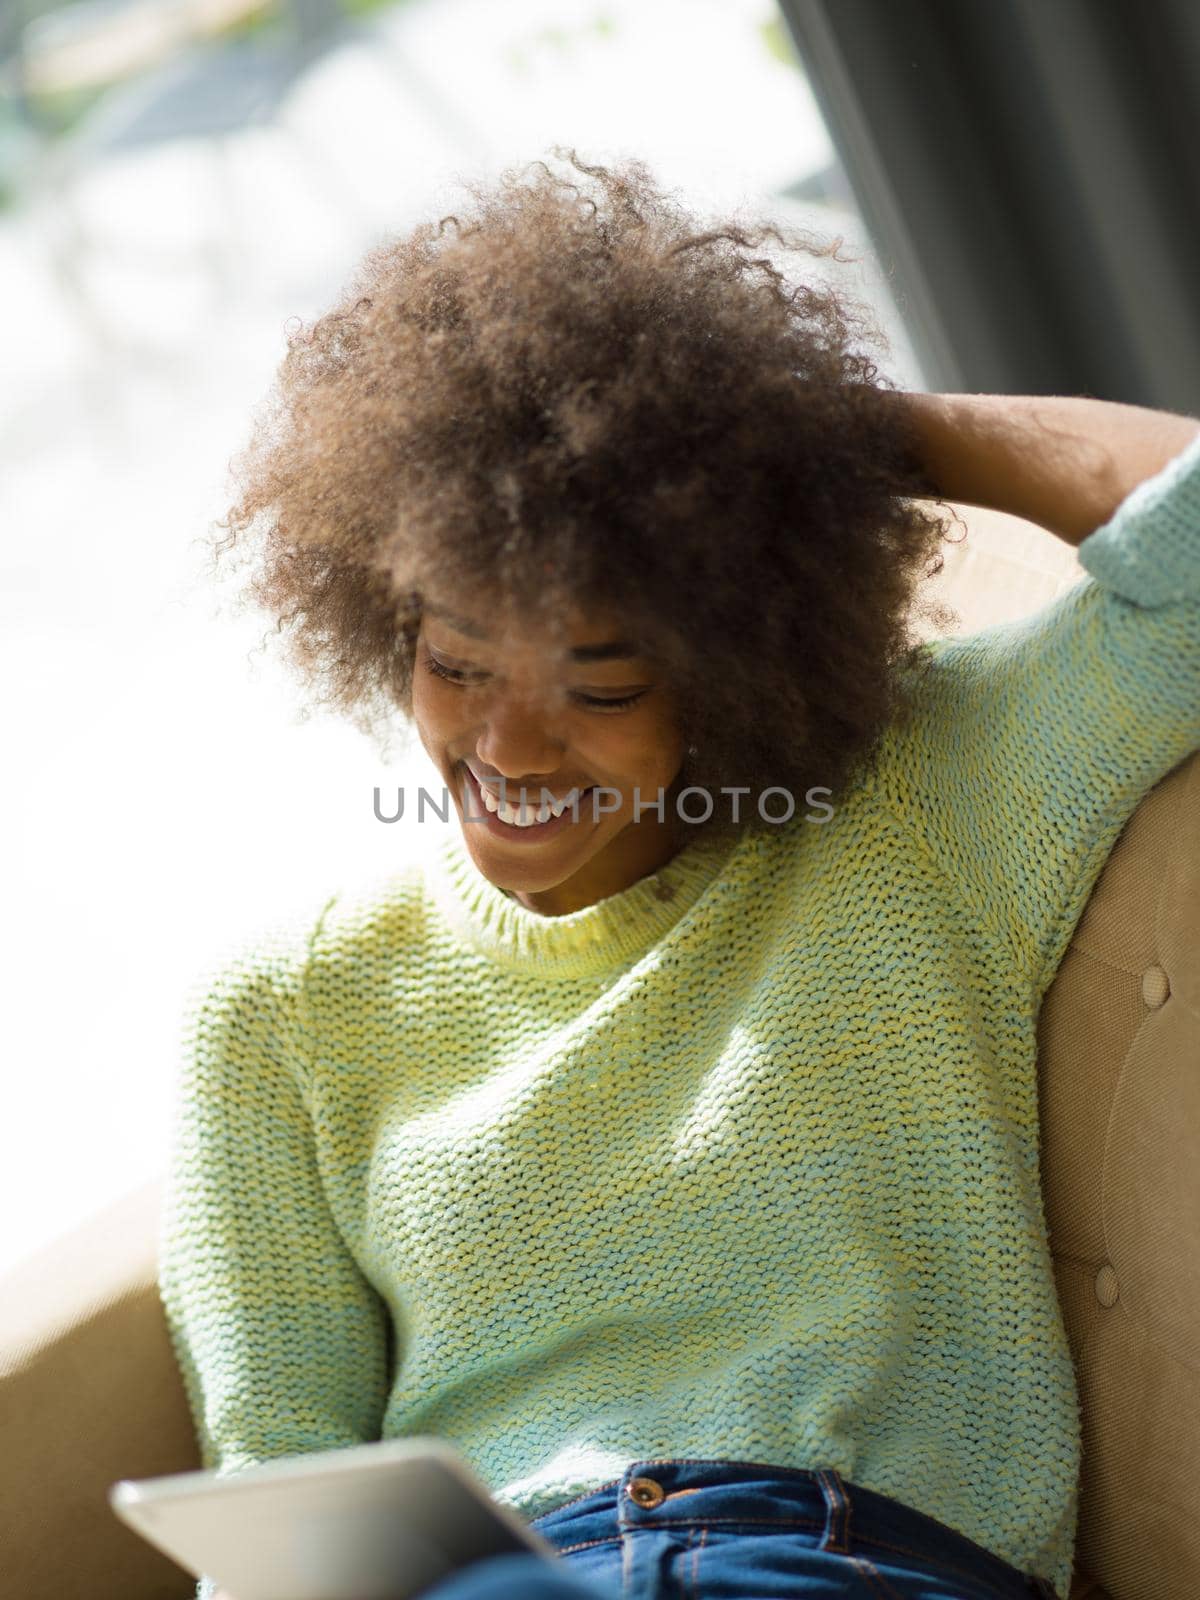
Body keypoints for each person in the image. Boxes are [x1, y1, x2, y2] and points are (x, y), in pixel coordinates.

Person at [159, 147, 1200, 1600]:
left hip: (845, 1566)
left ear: (728, 665)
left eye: (600, 683)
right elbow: (278, 1507)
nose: (507, 743)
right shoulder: (278, 1015)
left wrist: (841, 446)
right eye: (457, 663)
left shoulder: (926, 800)